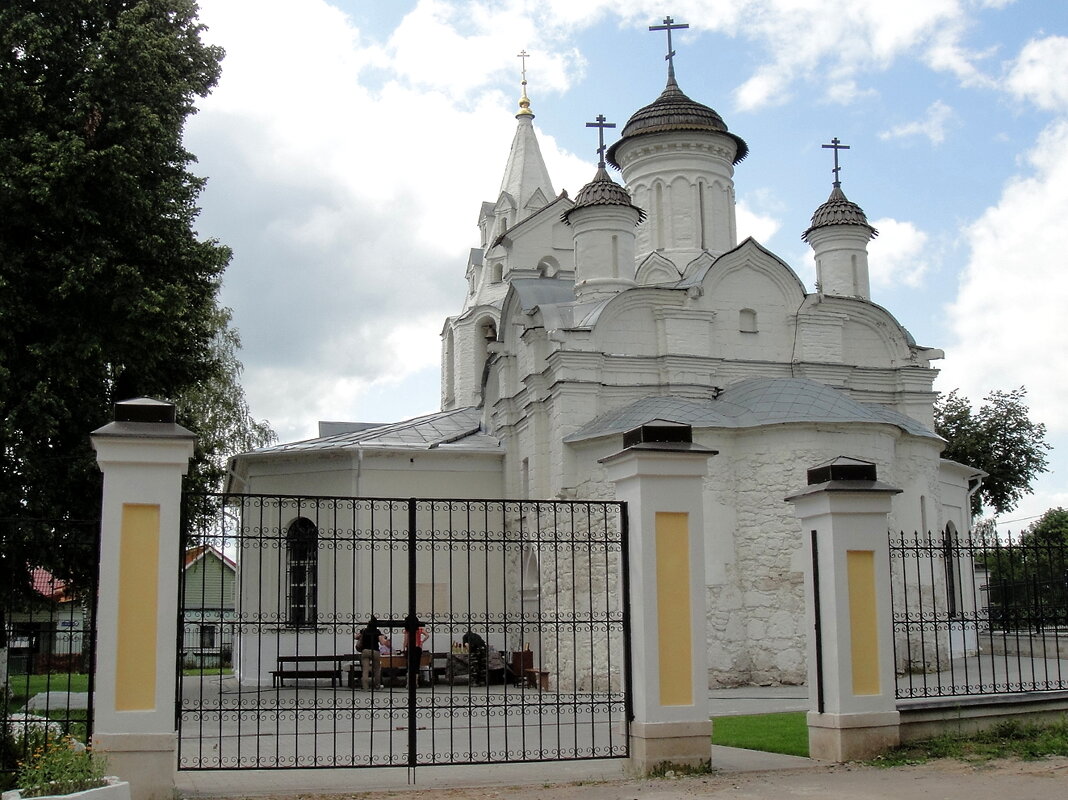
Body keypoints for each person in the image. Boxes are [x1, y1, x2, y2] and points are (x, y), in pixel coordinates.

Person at [357, 616, 387, 690]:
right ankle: (377, 685)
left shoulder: (364, 630)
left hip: (365, 651)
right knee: (377, 669)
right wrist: (384, 637)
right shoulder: (377, 632)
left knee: (365, 670)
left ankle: (365, 687)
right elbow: (382, 643)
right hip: (375, 651)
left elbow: (356, 637)